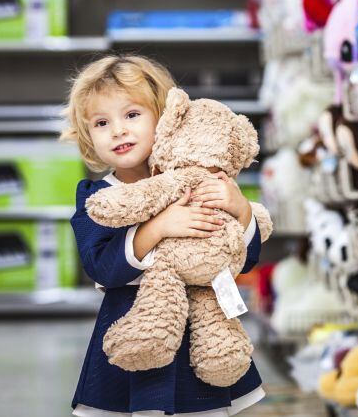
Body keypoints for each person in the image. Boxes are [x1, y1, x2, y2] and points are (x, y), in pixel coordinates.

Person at [60, 54, 265, 416]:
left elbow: (242, 257)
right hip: (134, 327)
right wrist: (157, 227)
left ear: (168, 119)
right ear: (88, 135)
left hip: (197, 332)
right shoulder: (96, 197)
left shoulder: (205, 181)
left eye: (132, 115)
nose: (118, 130)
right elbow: (102, 268)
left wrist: (241, 209)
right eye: (101, 122)